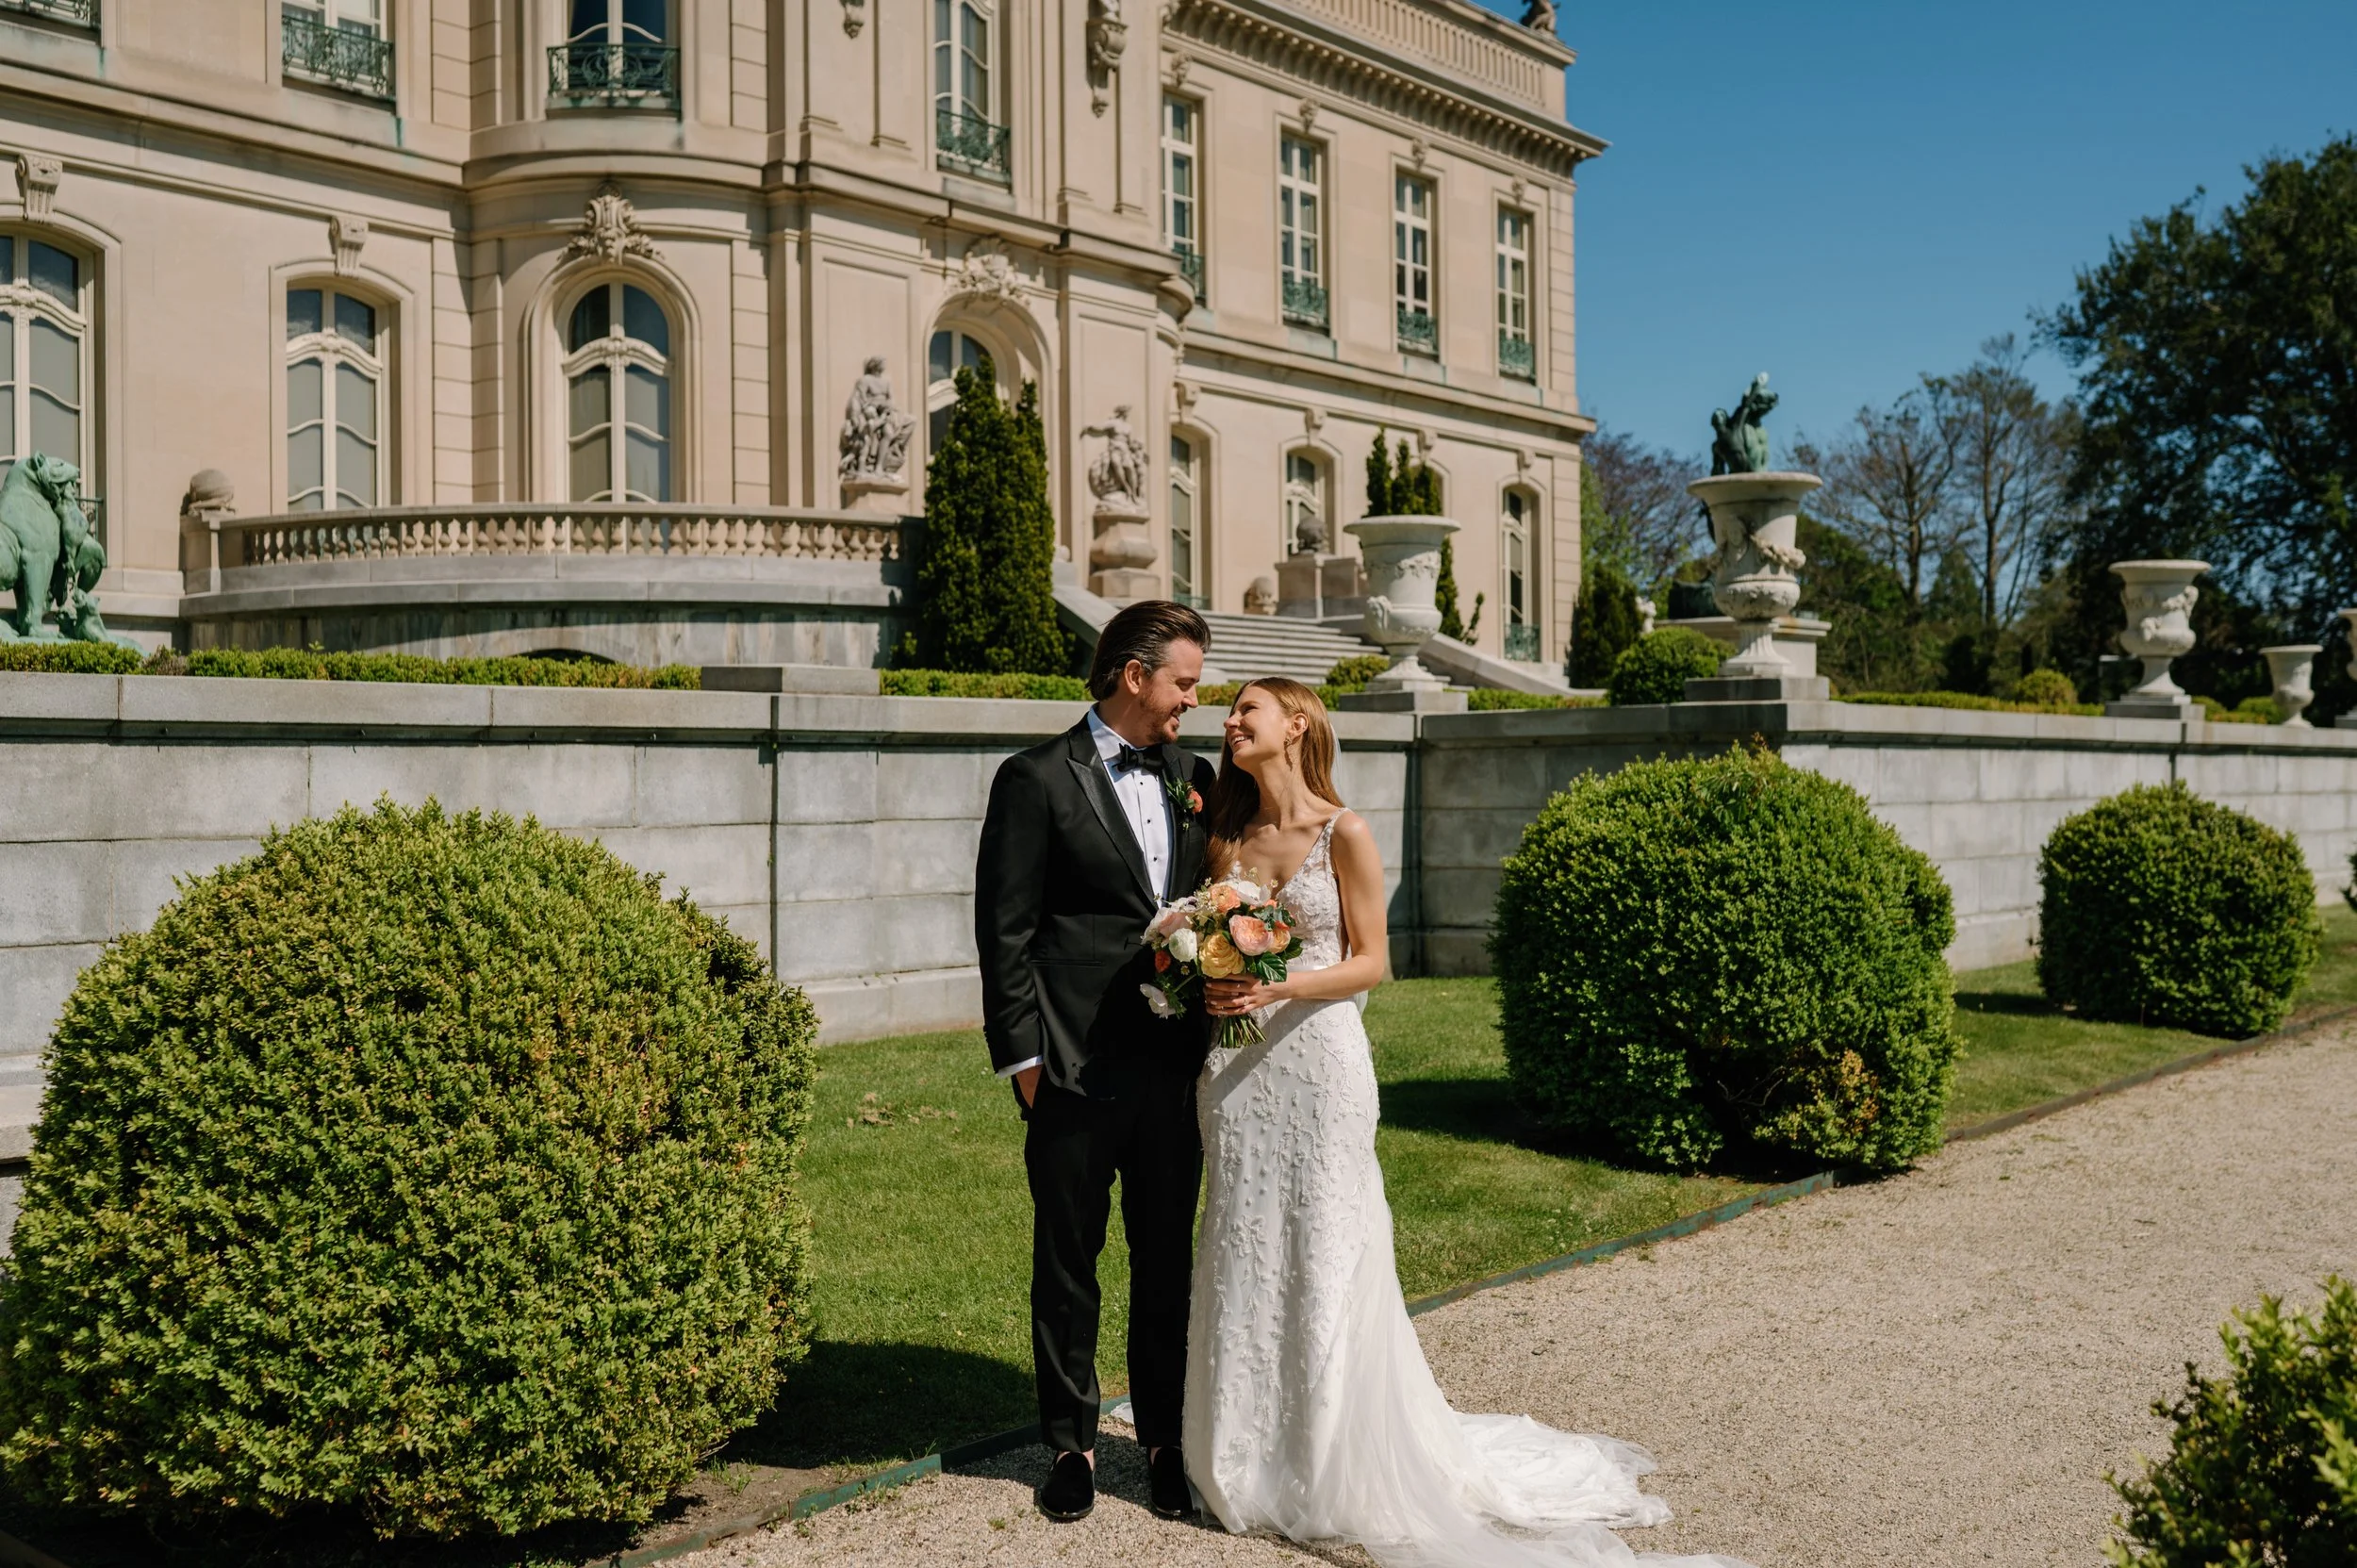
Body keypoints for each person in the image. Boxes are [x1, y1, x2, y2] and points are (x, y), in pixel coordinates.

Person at [1185, 677, 1752, 1568]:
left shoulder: (1349, 831)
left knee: (1328, 1248)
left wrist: (1280, 983)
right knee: (1241, 1242)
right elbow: (1201, 938)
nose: (1229, 723)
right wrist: (1209, 973)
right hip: (1236, 1072)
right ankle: (1241, 1453)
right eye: (1227, 713)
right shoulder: (1224, 835)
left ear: (1295, 723)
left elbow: (1372, 962)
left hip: (1323, 1068)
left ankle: (1327, 1461)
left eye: (1244, 710)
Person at [973, 601, 1221, 1526]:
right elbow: (1004, 931)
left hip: (1170, 1068)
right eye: (1184, 683)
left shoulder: (1196, 776)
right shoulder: (1033, 778)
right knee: (1068, 1261)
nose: (1191, 701)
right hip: (1070, 1069)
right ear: (1132, 675)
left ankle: (1161, 1441)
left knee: (1166, 1262)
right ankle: (1070, 1443)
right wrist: (1024, 1061)